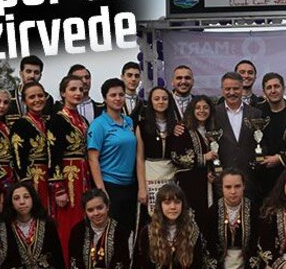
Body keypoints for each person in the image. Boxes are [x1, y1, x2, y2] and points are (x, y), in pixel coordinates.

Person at [202, 169, 261, 269]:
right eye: (228, 187)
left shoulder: (254, 211)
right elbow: (207, 249)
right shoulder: (212, 212)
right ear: (221, 188)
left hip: (246, 267)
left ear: (244, 186)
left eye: (237, 186)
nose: (233, 192)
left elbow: (257, 247)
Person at [48, 75, 90, 263]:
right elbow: (53, 154)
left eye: (81, 89)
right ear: (63, 93)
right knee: (68, 221)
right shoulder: (57, 120)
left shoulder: (83, 120)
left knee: (83, 217)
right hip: (68, 176)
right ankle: (67, 263)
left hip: (83, 174)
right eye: (73, 89)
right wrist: (59, 188)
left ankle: (83, 261)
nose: (78, 93)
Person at [88, 78, 139, 232]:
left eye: (121, 95)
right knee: (112, 231)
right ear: (105, 98)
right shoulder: (98, 124)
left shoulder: (129, 121)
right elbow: (93, 158)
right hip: (110, 185)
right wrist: (101, 190)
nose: (118, 98)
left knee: (129, 230)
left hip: (130, 185)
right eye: (113, 95)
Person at [213, 72, 263, 198]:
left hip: (250, 178)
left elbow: (262, 143)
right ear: (222, 90)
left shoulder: (255, 113)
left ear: (242, 89)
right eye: (227, 89)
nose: (232, 92)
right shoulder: (213, 114)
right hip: (222, 179)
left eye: (236, 88)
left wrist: (258, 162)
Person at [169, 96, 218, 222]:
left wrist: (213, 171)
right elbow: (176, 156)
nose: (202, 111)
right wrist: (203, 157)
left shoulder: (213, 131)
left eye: (205, 108)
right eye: (198, 108)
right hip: (189, 184)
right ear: (192, 110)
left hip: (209, 184)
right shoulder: (183, 130)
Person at [10, 82, 52, 210]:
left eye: (40, 96)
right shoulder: (20, 125)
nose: (37, 100)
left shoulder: (49, 122)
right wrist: (25, 182)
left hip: (49, 176)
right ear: (24, 101)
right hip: (33, 177)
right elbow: (18, 157)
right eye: (32, 97)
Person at [137, 86, 178, 215]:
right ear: (151, 102)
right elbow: (139, 158)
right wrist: (142, 187)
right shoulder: (142, 126)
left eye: (164, 99)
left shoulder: (177, 125)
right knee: (154, 216)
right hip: (150, 174)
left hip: (172, 175)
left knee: (172, 211)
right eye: (156, 99)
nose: (161, 102)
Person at [257, 73, 286, 199]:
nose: (273, 90)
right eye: (269, 87)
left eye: (276, 86)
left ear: (283, 88)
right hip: (263, 175)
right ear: (264, 92)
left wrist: (279, 158)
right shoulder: (257, 113)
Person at [5, 55, 54, 125]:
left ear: (40, 76)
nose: (32, 76)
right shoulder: (8, 97)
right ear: (21, 73)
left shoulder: (47, 99)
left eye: (36, 72)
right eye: (28, 71)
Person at [120, 61, 144, 127]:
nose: (133, 79)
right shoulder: (114, 102)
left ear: (140, 78)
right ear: (122, 77)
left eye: (137, 76)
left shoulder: (144, 104)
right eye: (129, 75)